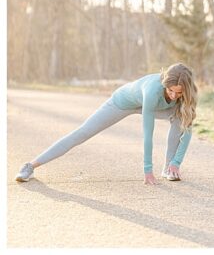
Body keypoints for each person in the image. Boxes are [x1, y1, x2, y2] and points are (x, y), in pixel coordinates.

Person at [14, 63, 198, 185]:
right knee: (83, 132)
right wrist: (147, 170)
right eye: (170, 90)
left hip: (155, 108)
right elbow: (148, 135)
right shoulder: (152, 91)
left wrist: (177, 161)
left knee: (181, 117)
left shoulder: (188, 94)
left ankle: (169, 168)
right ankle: (30, 165)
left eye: (178, 93)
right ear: (165, 83)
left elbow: (187, 130)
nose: (173, 96)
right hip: (122, 103)